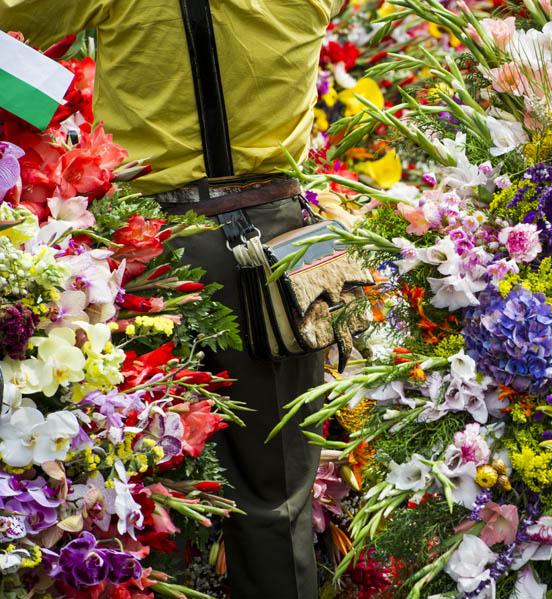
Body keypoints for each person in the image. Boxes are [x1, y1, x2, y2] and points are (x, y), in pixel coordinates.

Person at [0, 1, 340, 597]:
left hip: (147, 251)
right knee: (275, 501)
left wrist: (50, 116)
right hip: (283, 239)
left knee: (142, 496)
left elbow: (11, 40)